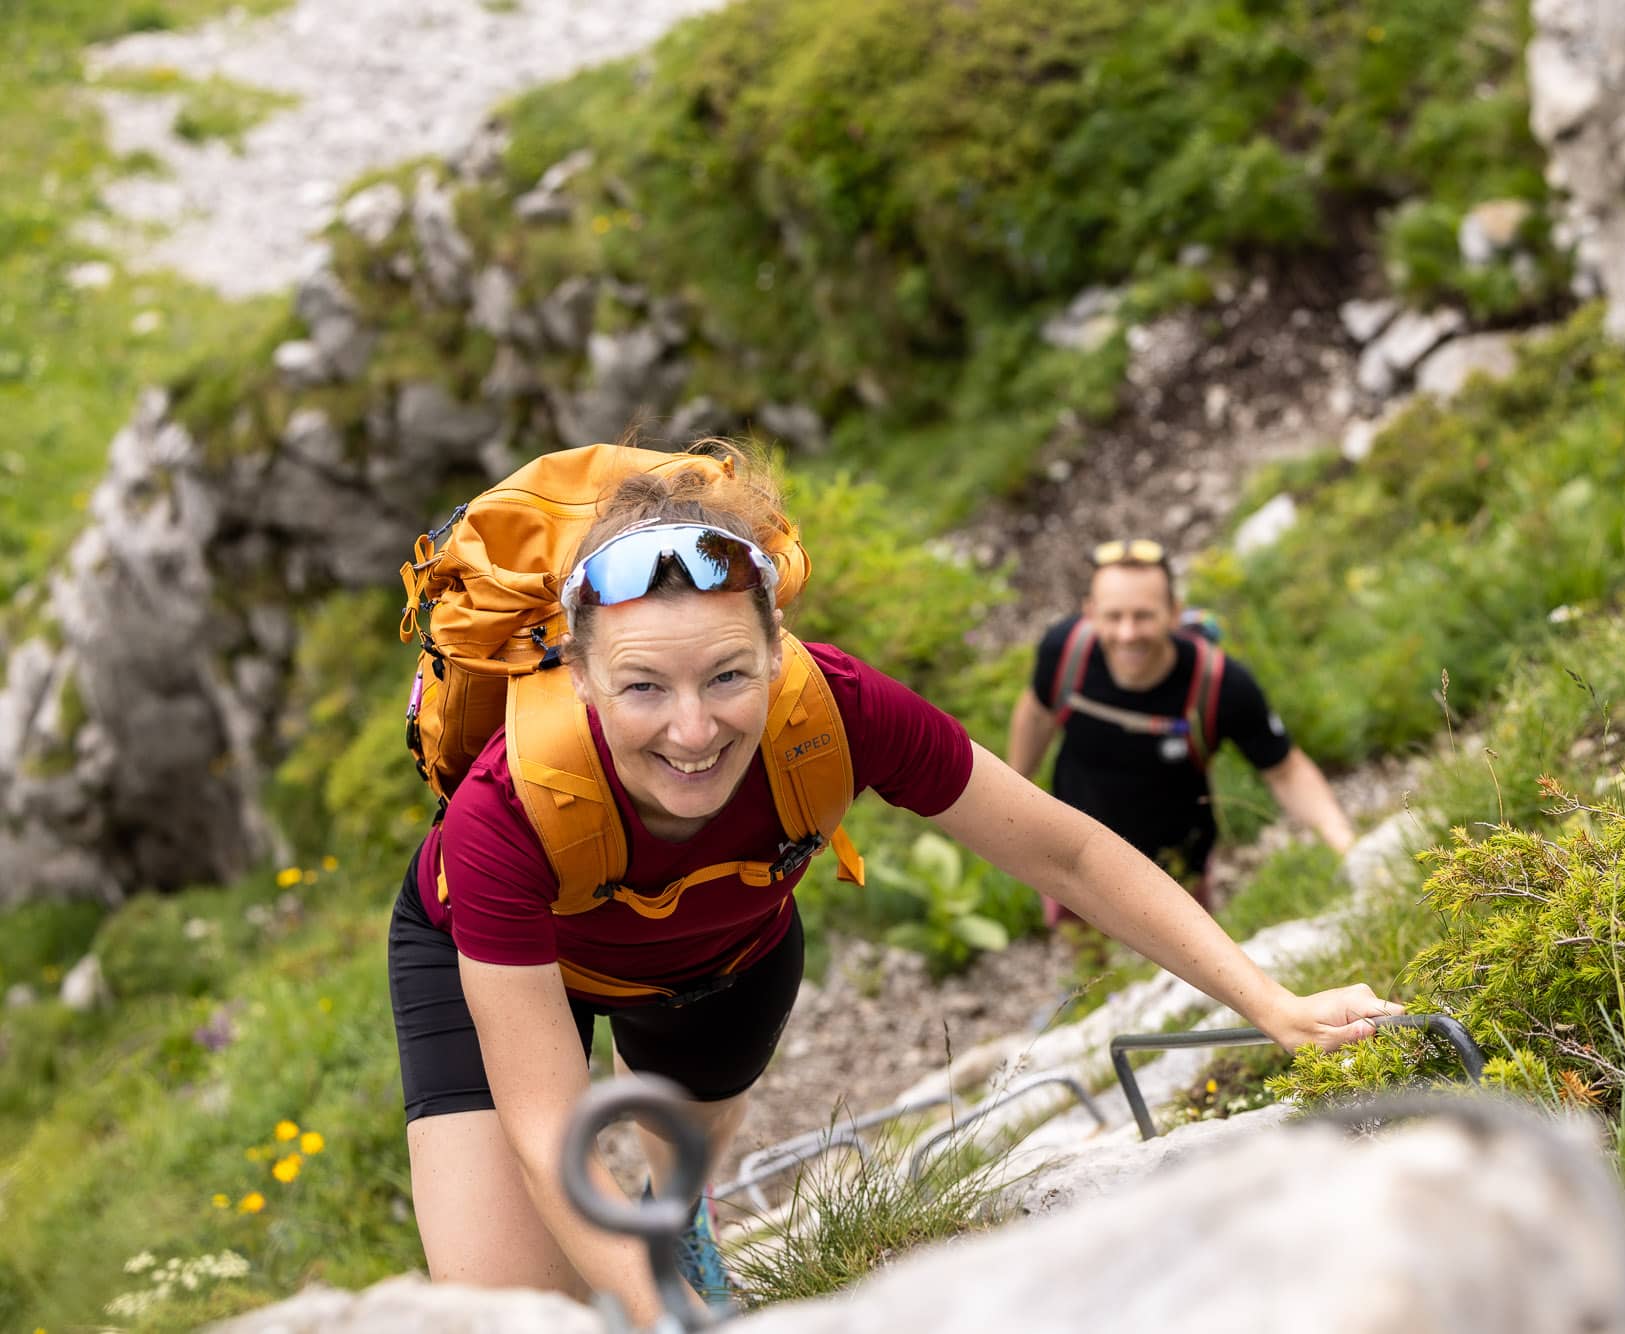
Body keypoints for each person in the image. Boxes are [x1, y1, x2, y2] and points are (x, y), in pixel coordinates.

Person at [386, 447, 1398, 1326]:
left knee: (668, 1186)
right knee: (509, 1310)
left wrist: (1271, 1002)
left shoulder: (837, 708)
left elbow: (1070, 856)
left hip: (720, 960)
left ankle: (674, 1221)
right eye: (644, 685)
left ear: (777, 651)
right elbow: (546, 1132)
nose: (691, 732)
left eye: (728, 676)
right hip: (492, 958)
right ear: (580, 672)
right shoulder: (504, 810)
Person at [1007, 538, 1358, 926]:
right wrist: (1011, 789)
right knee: (1084, 951)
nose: (1126, 633)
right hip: (1072, 854)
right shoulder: (1063, 653)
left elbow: (1285, 770)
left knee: (1186, 964)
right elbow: (1037, 714)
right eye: (1113, 616)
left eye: (1143, 616)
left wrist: (1342, 840)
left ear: (1174, 613)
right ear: (1089, 612)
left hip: (1178, 869)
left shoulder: (1220, 685)